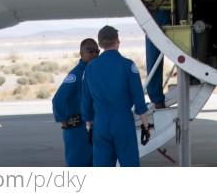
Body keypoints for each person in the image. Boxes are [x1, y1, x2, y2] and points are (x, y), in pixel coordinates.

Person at [81, 24, 151, 168]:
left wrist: (89, 126)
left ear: (100, 44)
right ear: (117, 41)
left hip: (100, 124)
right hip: (123, 122)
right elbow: (139, 99)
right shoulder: (128, 66)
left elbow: (86, 101)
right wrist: (146, 126)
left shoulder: (90, 68)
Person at [52, 37, 99, 166]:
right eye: (90, 51)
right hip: (78, 131)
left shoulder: (94, 72)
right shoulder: (76, 74)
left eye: (96, 51)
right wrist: (65, 122)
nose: (94, 54)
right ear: (81, 53)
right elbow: (58, 99)